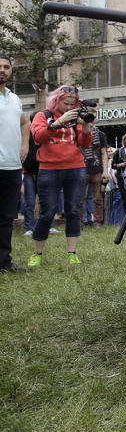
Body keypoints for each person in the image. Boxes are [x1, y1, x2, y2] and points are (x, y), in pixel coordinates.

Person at [28, 85, 94, 266]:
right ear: (56, 100)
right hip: (49, 169)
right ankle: (37, 252)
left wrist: (86, 126)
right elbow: (38, 136)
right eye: (66, 103)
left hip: (75, 167)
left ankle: (72, 252)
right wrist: (59, 122)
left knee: (73, 210)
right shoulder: (43, 116)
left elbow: (85, 142)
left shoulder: (76, 116)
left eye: (72, 104)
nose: (69, 106)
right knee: (47, 212)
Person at [0, 53, 30, 274]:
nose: (2, 70)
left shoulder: (14, 98)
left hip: (11, 167)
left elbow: (24, 122)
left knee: (6, 217)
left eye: (6, 67)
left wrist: (25, 145)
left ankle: (4, 262)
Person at [80, 114, 108, 226]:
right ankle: (80, 222)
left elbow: (104, 153)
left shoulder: (100, 134)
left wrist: (105, 170)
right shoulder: (80, 132)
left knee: (98, 197)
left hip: (97, 169)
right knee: (80, 198)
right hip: (82, 168)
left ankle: (97, 221)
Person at [20, 112, 40, 237]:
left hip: (42, 171)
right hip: (28, 172)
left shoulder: (44, 133)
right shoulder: (27, 135)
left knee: (45, 201)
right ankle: (29, 227)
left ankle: (49, 226)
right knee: (29, 201)